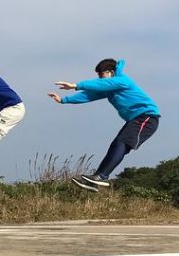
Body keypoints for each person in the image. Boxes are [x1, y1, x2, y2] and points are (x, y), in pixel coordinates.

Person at [48, 58, 160, 190]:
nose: (100, 78)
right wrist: (64, 100)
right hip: (136, 119)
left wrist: (75, 85)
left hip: (147, 117)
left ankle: (101, 176)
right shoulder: (110, 87)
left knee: (121, 143)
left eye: (101, 75)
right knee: (116, 146)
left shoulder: (122, 81)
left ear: (110, 72)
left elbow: (99, 85)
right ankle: (95, 180)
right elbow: (89, 95)